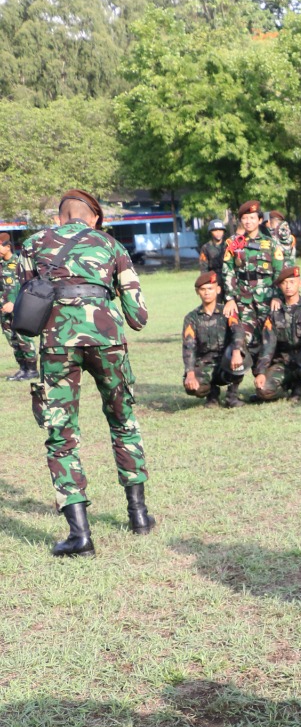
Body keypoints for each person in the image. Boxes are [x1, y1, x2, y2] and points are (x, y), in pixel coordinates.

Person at [10, 190, 156, 555]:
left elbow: (21, 308)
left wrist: (28, 357)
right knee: (123, 422)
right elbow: (138, 317)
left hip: (57, 344)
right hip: (107, 341)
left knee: (62, 435)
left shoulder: (32, 244)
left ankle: (81, 537)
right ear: (92, 218)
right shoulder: (110, 245)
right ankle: (139, 516)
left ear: (61, 217)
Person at [220, 200, 286, 359]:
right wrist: (230, 298)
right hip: (243, 299)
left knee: (270, 338)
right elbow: (227, 270)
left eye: (252, 218)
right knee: (245, 340)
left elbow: (279, 271)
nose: (248, 222)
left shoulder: (271, 243)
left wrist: (277, 295)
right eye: (245, 218)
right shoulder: (234, 244)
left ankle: (266, 376)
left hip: (268, 299)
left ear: (260, 220)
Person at [253, 265, 301, 402]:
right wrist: (261, 372)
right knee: (263, 391)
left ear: (300, 283)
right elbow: (268, 344)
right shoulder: (274, 314)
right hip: (284, 363)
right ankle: (290, 387)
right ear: (280, 286)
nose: (288, 286)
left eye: (292, 282)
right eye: (284, 283)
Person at [181, 271, 246, 407]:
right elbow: (189, 346)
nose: (207, 293)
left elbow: (238, 332)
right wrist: (190, 373)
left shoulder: (227, 312)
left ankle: (232, 396)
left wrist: (236, 353)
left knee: (241, 351)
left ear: (218, 290)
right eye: (203, 289)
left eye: (210, 289)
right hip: (205, 363)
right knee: (193, 387)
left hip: (227, 361)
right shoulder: (192, 318)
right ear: (197, 292)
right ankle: (212, 395)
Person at [1, 233, 38, 381]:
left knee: (24, 339)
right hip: (3, 309)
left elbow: (26, 286)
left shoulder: (19, 263)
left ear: (8, 247)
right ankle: (22, 368)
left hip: (19, 307)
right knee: (13, 339)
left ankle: (32, 369)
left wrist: (14, 303)